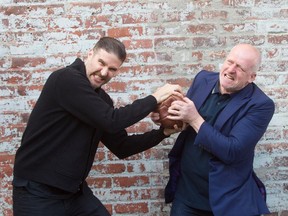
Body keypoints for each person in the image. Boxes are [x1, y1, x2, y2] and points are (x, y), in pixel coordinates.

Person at [12, 36, 184, 216]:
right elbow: (112, 120)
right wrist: (155, 98)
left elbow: (122, 146)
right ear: (90, 54)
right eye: (101, 63)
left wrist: (163, 133)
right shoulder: (66, 79)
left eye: (112, 69)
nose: (103, 72)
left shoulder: (101, 101)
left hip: (73, 193)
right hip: (37, 193)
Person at [161, 44, 275, 216]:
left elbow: (232, 150)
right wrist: (165, 119)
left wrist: (194, 118)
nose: (231, 69)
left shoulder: (260, 105)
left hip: (227, 202)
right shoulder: (203, 79)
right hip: (187, 195)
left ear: (252, 77)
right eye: (230, 62)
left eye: (240, 68)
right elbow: (185, 122)